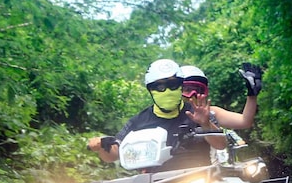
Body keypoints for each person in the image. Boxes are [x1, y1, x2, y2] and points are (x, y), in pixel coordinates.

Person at [87, 59, 227, 171]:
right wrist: (100, 145)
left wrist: (205, 124)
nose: (167, 90)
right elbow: (114, 153)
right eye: (159, 87)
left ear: (181, 86)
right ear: (150, 90)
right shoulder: (138, 122)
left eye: (173, 84)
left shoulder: (199, 112)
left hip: (200, 182)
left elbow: (221, 145)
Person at [178, 63, 263, 130]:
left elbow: (244, 122)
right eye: (187, 90)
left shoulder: (211, 113)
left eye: (198, 90)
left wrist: (252, 95)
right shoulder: (166, 113)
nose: (192, 95)